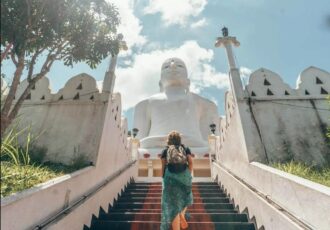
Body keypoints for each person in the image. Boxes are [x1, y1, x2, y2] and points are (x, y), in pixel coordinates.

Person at [160, 131, 193, 230]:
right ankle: (182, 214)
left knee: (173, 205)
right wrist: (188, 174)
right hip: (184, 176)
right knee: (187, 198)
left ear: (169, 140)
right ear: (179, 139)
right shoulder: (185, 148)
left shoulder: (165, 150)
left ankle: (178, 217)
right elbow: (190, 162)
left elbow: (163, 166)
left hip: (170, 177)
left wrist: (163, 178)